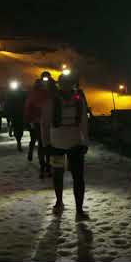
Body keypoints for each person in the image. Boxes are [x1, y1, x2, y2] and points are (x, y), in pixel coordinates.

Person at [41, 70, 89, 218]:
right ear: (60, 85)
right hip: (56, 143)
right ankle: (59, 201)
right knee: (58, 175)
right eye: (64, 83)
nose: (67, 86)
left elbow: (83, 122)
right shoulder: (52, 101)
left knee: (78, 177)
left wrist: (84, 141)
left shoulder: (79, 100)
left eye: (69, 83)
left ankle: (79, 209)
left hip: (74, 143)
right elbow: (45, 123)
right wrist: (46, 143)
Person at [25, 73, 55, 178]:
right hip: (38, 122)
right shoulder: (36, 91)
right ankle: (43, 166)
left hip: (50, 122)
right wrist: (31, 120)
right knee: (42, 144)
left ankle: (48, 165)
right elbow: (29, 106)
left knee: (48, 145)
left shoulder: (53, 89)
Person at [5, 84, 27, 152]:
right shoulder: (10, 95)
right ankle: (18, 141)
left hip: (20, 114)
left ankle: (18, 140)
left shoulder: (23, 94)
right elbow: (8, 104)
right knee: (17, 127)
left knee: (19, 128)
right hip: (15, 114)